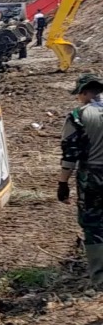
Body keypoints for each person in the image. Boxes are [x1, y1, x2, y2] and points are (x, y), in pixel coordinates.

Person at [58, 73, 103, 290]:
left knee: (93, 224)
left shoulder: (78, 115)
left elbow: (70, 154)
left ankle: (100, 278)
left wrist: (63, 184)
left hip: (93, 176)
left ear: (84, 93)